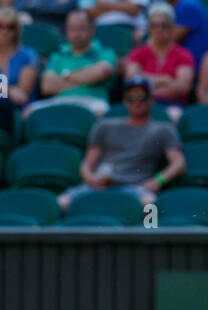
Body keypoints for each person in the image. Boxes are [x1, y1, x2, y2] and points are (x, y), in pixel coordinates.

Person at [57, 76, 186, 213]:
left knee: (150, 206)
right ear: (125, 101)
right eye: (131, 97)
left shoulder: (163, 129)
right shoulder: (105, 126)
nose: (137, 102)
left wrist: (157, 181)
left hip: (135, 187)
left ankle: (148, 234)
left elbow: (179, 163)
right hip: (100, 183)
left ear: (150, 99)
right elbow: (88, 163)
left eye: (142, 97)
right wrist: (90, 178)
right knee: (62, 202)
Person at [33, 8, 116, 117]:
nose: (76, 34)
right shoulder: (57, 55)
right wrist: (86, 78)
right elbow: (47, 86)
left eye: (81, 28)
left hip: (92, 102)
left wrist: (64, 76)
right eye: (72, 29)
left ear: (92, 30)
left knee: (102, 113)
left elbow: (101, 72)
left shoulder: (105, 53)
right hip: (60, 102)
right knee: (29, 112)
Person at [126, 2, 194, 120]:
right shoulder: (137, 53)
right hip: (140, 104)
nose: (159, 30)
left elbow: (182, 87)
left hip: (172, 104)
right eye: (154, 26)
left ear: (172, 27)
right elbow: (132, 82)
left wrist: (145, 81)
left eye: (164, 25)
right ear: (149, 28)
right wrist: (165, 80)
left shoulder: (184, 55)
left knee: (175, 115)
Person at [151, 0, 208, 67]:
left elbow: (165, 41)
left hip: (190, 65)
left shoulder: (188, 6)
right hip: (173, 62)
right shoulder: (167, 6)